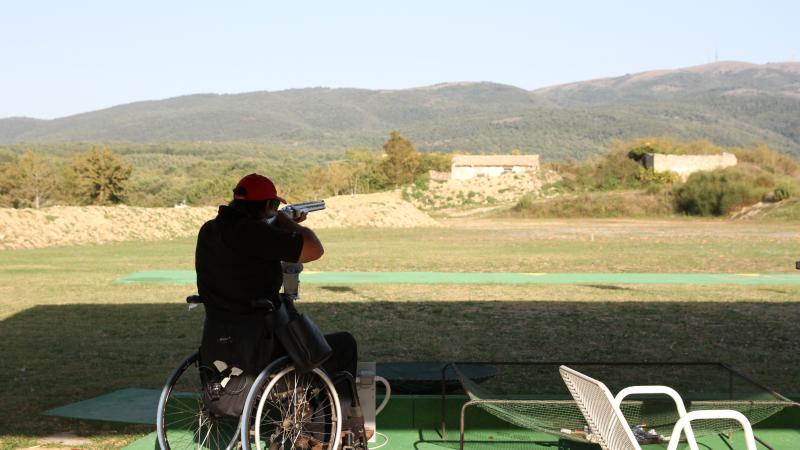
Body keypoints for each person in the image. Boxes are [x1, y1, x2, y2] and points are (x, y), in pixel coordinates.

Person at [194, 173, 359, 425]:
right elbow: (314, 249)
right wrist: (288, 223)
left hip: (223, 341)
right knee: (343, 346)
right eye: (275, 205)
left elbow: (246, 251)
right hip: (264, 342)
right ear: (268, 207)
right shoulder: (255, 232)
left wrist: (272, 222)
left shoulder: (210, 230)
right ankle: (332, 429)